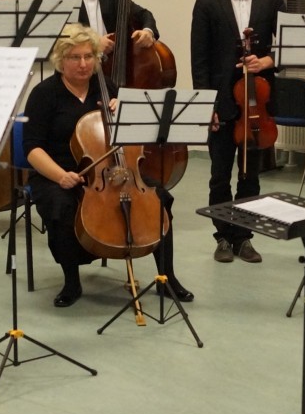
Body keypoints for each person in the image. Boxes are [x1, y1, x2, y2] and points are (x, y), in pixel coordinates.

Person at [21, 25, 191, 306]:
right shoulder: (44, 94)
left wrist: (124, 114)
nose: (84, 64)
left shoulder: (106, 87)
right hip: (58, 171)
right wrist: (61, 176)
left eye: (89, 56)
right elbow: (32, 148)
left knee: (160, 198)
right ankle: (71, 282)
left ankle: (167, 277)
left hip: (111, 168)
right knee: (61, 206)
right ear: (61, 60)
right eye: (75, 57)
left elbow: (129, 139)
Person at [189, 0, 286, 265]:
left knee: (250, 176)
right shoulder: (207, 2)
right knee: (219, 175)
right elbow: (199, 59)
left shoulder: (272, 1)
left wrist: (265, 62)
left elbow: (285, 49)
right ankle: (222, 237)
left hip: (256, 103)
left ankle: (243, 237)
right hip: (221, 101)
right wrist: (206, 105)